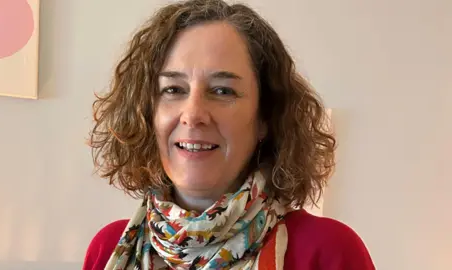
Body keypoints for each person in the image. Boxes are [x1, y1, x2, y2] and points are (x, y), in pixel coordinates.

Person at [84, 0, 375, 269]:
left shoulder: (327, 252)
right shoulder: (108, 247)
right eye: (173, 89)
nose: (193, 113)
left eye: (223, 91)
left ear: (265, 117)